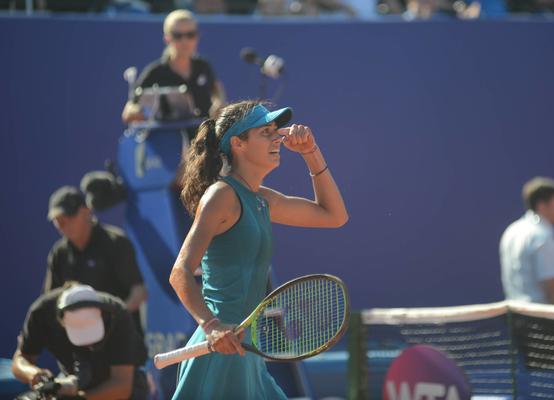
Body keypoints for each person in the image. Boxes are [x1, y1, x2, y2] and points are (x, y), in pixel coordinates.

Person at [168, 100, 348, 398]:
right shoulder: (221, 196)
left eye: (275, 130)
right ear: (238, 143)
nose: (276, 138)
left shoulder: (263, 199)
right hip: (220, 348)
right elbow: (180, 272)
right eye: (265, 132)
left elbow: (335, 216)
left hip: (246, 350)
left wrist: (310, 153)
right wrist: (212, 326)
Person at [12, 283, 148, 399]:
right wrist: (36, 375)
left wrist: (81, 398)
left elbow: (122, 385)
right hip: (70, 382)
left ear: (100, 314)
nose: (88, 343)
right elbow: (20, 361)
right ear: (61, 323)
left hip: (119, 390)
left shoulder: (117, 314)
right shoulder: (41, 312)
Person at [44, 186, 147, 334]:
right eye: (59, 221)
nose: (64, 226)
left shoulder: (116, 243)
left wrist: (113, 316)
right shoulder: (58, 254)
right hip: (76, 344)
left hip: (120, 340)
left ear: (86, 211)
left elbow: (139, 292)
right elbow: (50, 301)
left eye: (69, 217)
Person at [499, 176, 554, 369]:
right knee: (553, 385)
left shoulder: (511, 231)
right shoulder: (543, 236)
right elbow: (551, 287)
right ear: (542, 205)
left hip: (516, 320)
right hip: (543, 322)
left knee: (534, 382)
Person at [121, 9, 226, 124]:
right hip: (166, 138)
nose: (184, 41)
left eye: (190, 35)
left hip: (203, 137)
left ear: (197, 37)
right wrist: (137, 112)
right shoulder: (155, 72)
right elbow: (129, 111)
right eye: (178, 36)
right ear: (167, 38)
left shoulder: (204, 66)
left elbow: (216, 89)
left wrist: (218, 102)